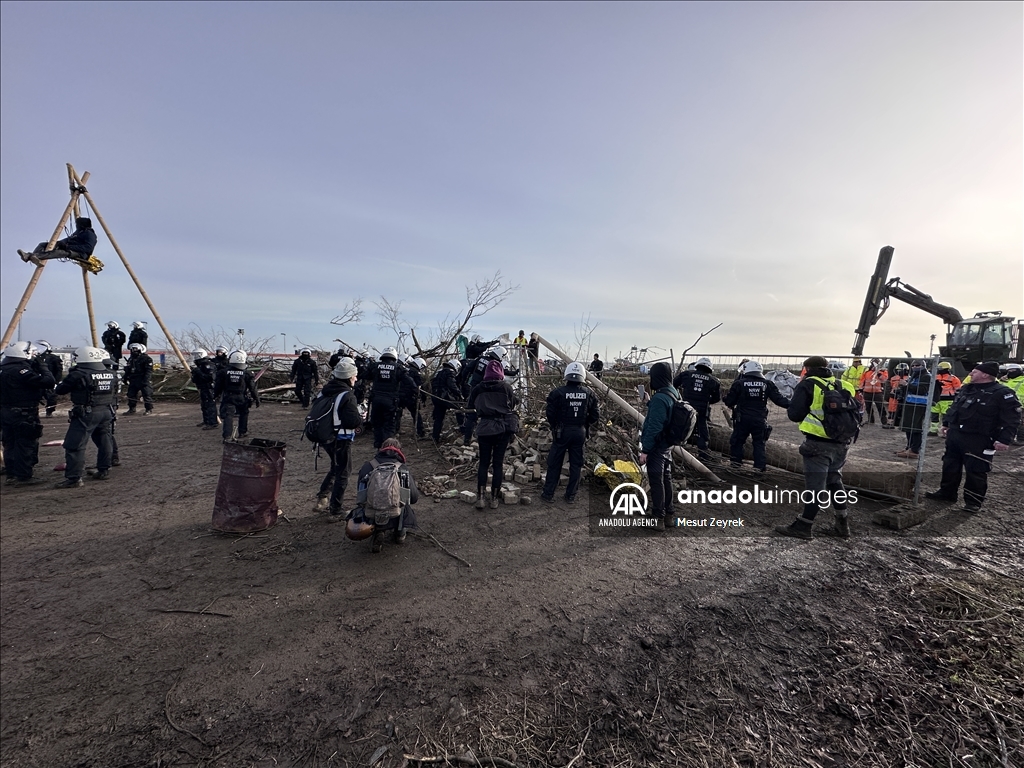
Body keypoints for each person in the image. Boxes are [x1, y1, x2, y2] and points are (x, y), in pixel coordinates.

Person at [775, 356, 857, 540]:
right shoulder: (843, 384)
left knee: (815, 487)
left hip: (818, 443)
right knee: (835, 481)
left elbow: (795, 415)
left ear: (807, 369)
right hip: (842, 443)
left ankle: (804, 526)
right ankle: (842, 524)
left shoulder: (808, 384)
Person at [925, 361, 1021, 512]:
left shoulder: (1002, 393)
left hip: (981, 438)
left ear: (985, 375)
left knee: (976, 470)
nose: (970, 374)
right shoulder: (967, 389)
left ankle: (973, 502)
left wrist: (1004, 439)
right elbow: (955, 407)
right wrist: (947, 423)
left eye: (974, 372)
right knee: (950, 465)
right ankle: (947, 493)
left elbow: (1012, 419)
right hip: (957, 434)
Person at [52, 346, 117, 488]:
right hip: (106, 411)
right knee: (104, 440)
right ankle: (104, 470)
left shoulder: (78, 374)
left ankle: (74, 478)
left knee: (74, 444)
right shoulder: (110, 373)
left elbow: (61, 389)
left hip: (86, 413)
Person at [541, 362, 600, 504]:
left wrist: (555, 426)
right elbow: (595, 415)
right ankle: (570, 496)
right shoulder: (589, 394)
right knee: (576, 465)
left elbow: (550, 413)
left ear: (566, 375)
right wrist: (585, 424)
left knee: (555, 463)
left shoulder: (557, 393)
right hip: (580, 432)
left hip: (561, 432)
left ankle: (548, 494)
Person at [350, 438, 420, 553]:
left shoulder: (368, 466)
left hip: (371, 512)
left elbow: (360, 494)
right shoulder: (402, 468)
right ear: (399, 451)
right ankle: (400, 533)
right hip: (395, 511)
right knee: (404, 504)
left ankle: (378, 530)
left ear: (381, 449)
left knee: (368, 505)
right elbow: (413, 497)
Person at [313, 358, 363, 515]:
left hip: (325, 437)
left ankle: (322, 498)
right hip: (341, 439)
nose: (356, 378)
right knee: (343, 472)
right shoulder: (347, 395)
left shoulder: (324, 391)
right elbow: (352, 421)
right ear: (349, 377)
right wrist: (360, 417)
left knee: (335, 468)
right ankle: (336, 509)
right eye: (354, 376)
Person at [0, 341, 54, 485]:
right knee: (25, 444)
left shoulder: (3, 368)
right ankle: (23, 476)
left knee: (9, 444)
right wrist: (43, 366)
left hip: (5, 411)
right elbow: (48, 381)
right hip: (24, 412)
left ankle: (11, 474)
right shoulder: (21, 371)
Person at [468, 359, 519, 510]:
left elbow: (471, 407)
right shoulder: (506, 388)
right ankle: (494, 499)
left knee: (483, 464)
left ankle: (481, 498)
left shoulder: (478, 388)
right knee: (498, 464)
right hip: (501, 429)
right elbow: (513, 404)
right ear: (501, 373)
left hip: (484, 429)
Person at [723, 359, 790, 472]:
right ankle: (759, 469)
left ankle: (735, 466)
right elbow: (780, 400)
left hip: (742, 419)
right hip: (760, 419)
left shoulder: (739, 383)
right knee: (759, 444)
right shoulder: (767, 384)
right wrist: (795, 405)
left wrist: (726, 399)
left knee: (737, 442)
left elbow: (730, 401)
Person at [638, 362, 678, 531]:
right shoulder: (673, 393)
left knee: (656, 481)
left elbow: (654, 426)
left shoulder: (660, 398)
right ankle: (669, 515)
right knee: (666, 479)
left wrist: (645, 450)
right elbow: (664, 415)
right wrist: (649, 402)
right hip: (667, 445)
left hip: (656, 446)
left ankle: (657, 518)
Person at [673, 356, 722, 463]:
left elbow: (673, 385)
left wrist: (679, 398)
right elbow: (717, 398)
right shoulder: (714, 381)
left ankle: (676, 451)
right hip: (702, 409)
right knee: (702, 431)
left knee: (680, 428)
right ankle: (703, 454)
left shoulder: (686, 374)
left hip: (685, 408)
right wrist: (707, 401)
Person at [19, 217, 99, 269]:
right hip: (69, 248)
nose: (76, 225)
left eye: (78, 224)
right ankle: (33, 257)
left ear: (82, 225)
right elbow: (68, 239)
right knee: (43, 244)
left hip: (81, 254)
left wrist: (67, 247)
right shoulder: (79, 232)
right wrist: (59, 243)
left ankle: (34, 256)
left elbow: (88, 247)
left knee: (60, 252)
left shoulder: (90, 234)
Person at [366, 348, 408, 449]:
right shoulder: (398, 368)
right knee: (389, 426)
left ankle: (378, 447)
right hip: (390, 402)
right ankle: (387, 449)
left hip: (376, 401)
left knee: (377, 425)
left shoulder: (375, 366)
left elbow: (364, 375)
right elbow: (408, 381)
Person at [897, 360, 939, 458]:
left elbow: (922, 390)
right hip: (910, 403)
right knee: (908, 427)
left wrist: (907, 385)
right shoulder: (914, 376)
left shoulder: (927, 377)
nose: (915, 367)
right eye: (913, 365)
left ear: (923, 366)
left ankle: (915, 450)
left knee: (916, 428)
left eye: (918, 365)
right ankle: (909, 447)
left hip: (920, 405)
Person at [215, 350, 259, 441]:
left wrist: (214, 395)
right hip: (242, 397)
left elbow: (218, 386)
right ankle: (242, 432)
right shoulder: (247, 373)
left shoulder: (223, 372)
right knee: (244, 414)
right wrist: (257, 398)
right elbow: (252, 387)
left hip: (228, 397)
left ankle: (227, 436)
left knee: (228, 416)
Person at [430, 359, 465, 443]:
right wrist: (459, 394)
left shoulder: (438, 372)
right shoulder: (450, 372)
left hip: (436, 397)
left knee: (439, 419)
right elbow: (451, 384)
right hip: (445, 397)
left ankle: (435, 438)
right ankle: (463, 430)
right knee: (460, 409)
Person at [929, 361, 962, 435]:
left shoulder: (953, 378)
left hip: (948, 400)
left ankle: (946, 432)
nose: (939, 369)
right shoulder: (934, 377)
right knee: (934, 415)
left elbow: (958, 390)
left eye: (940, 368)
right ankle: (933, 431)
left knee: (946, 417)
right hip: (936, 399)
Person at [398, 356, 426, 438]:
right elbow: (419, 386)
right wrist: (422, 397)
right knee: (416, 414)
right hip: (410, 396)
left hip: (400, 394)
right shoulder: (416, 373)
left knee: (397, 413)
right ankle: (420, 432)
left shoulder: (405, 369)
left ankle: (396, 430)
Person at [122, 343, 154, 415]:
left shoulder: (147, 359)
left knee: (146, 395)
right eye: (132, 349)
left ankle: (148, 409)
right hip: (133, 379)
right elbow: (128, 370)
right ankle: (132, 409)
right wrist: (125, 377)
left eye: (136, 349)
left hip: (142, 379)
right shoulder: (131, 359)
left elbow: (149, 370)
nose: (134, 351)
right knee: (131, 394)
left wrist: (146, 380)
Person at [33, 340, 63, 417]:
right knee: (34, 397)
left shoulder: (54, 358)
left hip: (50, 381)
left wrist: (56, 381)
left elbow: (59, 371)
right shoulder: (35, 358)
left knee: (51, 398)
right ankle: (34, 412)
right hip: (38, 381)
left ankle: (49, 412)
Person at [190, 349, 218, 429]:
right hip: (202, 387)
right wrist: (194, 374)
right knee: (204, 405)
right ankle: (206, 420)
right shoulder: (200, 366)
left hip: (209, 387)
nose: (195, 357)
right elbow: (195, 380)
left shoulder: (208, 365)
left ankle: (212, 423)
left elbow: (210, 377)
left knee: (210, 405)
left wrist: (199, 372)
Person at [859, 359, 889, 426]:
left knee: (880, 407)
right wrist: (861, 389)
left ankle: (884, 422)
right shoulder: (867, 372)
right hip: (867, 392)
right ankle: (871, 420)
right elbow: (862, 381)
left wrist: (878, 373)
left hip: (878, 392)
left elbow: (884, 379)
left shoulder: (883, 371)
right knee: (868, 407)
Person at [884, 362, 910, 429]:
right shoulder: (908, 378)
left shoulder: (894, 378)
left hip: (899, 396)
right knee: (893, 410)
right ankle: (893, 423)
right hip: (896, 396)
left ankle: (892, 423)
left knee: (895, 410)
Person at [1004, 364, 1024, 443]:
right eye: (1009, 371)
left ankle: (1020, 439)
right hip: (1005, 405)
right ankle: (1009, 438)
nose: (1011, 372)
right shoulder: (1005, 380)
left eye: (1013, 370)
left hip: (1020, 405)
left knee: (1020, 423)